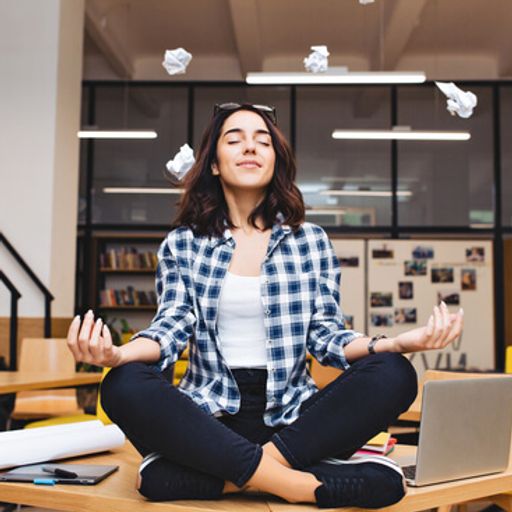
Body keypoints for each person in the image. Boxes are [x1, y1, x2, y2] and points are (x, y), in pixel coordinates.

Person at [66, 102, 464, 509]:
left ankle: (233, 475)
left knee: (395, 373)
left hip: (295, 420)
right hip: (209, 419)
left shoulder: (310, 241)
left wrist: (395, 344)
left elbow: (327, 336)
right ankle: (297, 485)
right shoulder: (183, 244)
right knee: (122, 383)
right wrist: (117, 354)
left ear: (276, 160)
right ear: (215, 165)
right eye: (234, 139)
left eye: (263, 141)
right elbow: (169, 329)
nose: (250, 148)